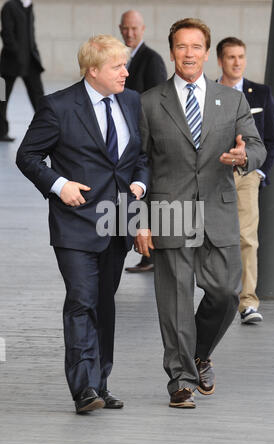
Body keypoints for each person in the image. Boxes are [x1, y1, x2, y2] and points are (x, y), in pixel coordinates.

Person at [135, 18, 266, 408]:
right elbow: (138, 162)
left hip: (218, 212)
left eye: (196, 47)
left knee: (226, 293)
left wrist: (244, 156)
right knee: (174, 300)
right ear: (172, 50)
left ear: (207, 53)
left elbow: (258, 147)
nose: (188, 54)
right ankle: (180, 380)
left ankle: (199, 353)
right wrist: (139, 220)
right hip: (170, 209)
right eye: (181, 46)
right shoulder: (148, 102)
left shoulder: (233, 99)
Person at [16, 34, 148, 413]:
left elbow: (139, 155)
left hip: (117, 222)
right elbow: (28, 156)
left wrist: (140, 182)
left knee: (104, 305)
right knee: (81, 301)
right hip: (74, 224)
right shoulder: (58, 107)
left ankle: (100, 383)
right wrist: (59, 185)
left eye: (125, 64)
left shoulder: (130, 100)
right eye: (117, 67)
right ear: (93, 71)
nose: (126, 72)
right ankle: (84, 390)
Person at [217, 37, 274, 325]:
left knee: (246, 239)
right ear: (220, 60)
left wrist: (258, 172)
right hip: (211, 176)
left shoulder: (261, 93)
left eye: (241, 56)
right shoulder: (207, 93)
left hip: (246, 175)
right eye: (231, 57)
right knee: (210, 237)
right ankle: (216, 296)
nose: (237, 62)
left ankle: (248, 302)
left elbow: (271, 139)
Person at [119, 9, 168, 272]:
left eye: (134, 28)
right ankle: (145, 251)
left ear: (143, 29)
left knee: (143, 194)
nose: (129, 33)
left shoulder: (151, 60)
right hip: (126, 137)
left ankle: (150, 252)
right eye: (125, 28)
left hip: (143, 137)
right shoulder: (120, 59)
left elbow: (157, 100)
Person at [0, 0, 44, 142]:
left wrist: (35, 52)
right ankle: (1, 132)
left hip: (31, 62)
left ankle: (46, 131)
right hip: (9, 62)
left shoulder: (30, 6)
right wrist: (16, 52)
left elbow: (31, 34)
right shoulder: (9, 6)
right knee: (1, 97)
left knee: (40, 99)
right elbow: (6, 33)